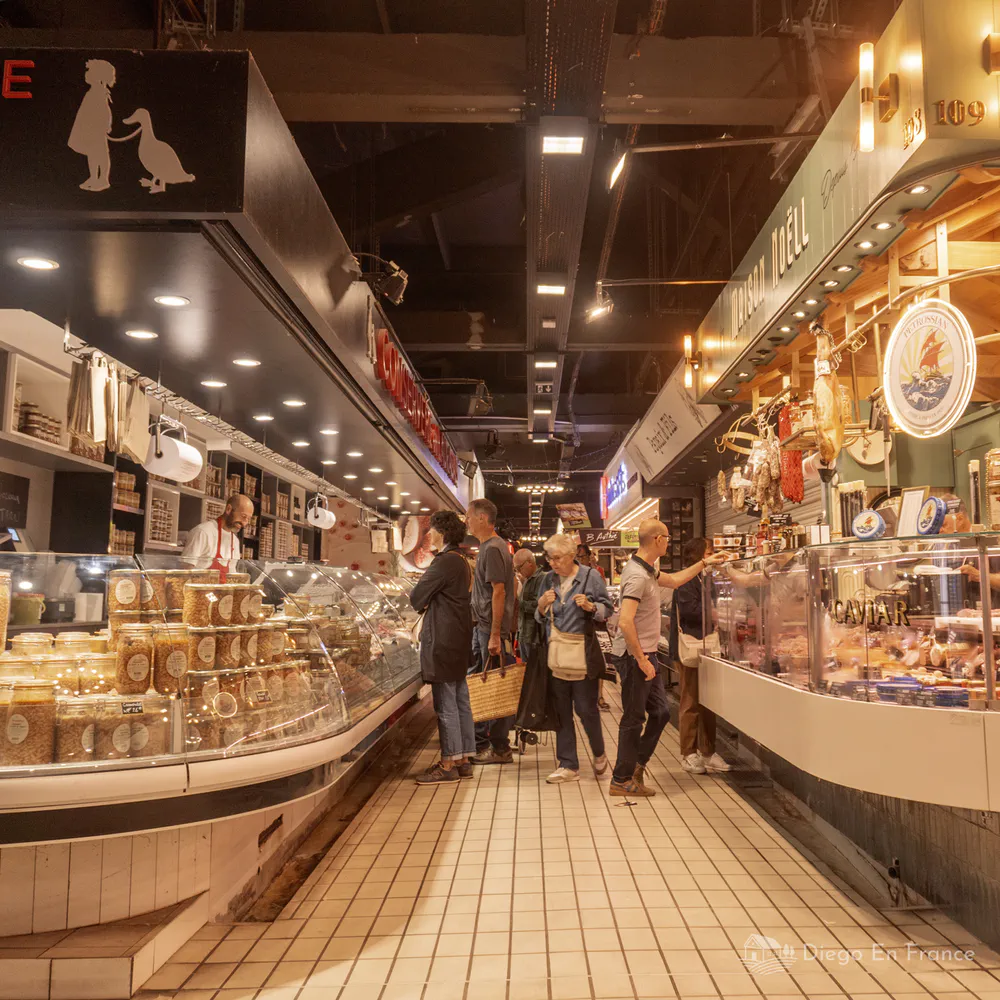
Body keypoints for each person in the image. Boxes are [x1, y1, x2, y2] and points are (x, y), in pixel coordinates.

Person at [609, 518, 726, 798]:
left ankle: (636, 767)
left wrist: (706, 563)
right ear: (657, 540)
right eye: (668, 538)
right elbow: (625, 622)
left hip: (645, 654)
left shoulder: (648, 569)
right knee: (633, 719)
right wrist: (641, 659)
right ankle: (621, 779)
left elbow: (674, 581)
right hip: (635, 657)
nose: (670, 542)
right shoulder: (637, 575)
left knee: (661, 714)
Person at [536, 533, 613, 783]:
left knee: (585, 709)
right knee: (561, 711)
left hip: (582, 654)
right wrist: (540, 607)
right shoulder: (547, 580)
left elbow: (607, 610)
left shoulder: (591, 577)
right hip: (556, 654)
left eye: (557, 558)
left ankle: (599, 753)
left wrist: (592, 607)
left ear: (571, 556)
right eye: (550, 558)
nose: (553, 563)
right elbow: (539, 618)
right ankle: (568, 764)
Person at [409, 511, 476, 784]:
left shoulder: (444, 562)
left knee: (446, 703)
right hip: (459, 639)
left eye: (432, 530)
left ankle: (448, 764)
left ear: (443, 533)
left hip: (443, 640)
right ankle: (464, 759)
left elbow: (416, 597)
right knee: (460, 700)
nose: (428, 536)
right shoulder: (462, 561)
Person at [669, 537, 731, 776]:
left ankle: (708, 752)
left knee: (709, 702)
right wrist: (717, 613)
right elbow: (689, 611)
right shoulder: (686, 579)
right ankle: (688, 753)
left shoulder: (705, 579)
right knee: (691, 701)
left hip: (707, 647)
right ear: (698, 555)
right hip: (689, 649)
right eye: (710, 551)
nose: (713, 554)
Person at [466, 498, 517, 764]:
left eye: (469, 517)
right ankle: (493, 744)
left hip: (489, 629)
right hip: (484, 627)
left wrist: (497, 633)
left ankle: (498, 747)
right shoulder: (489, 547)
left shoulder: (493, 549)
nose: (467, 521)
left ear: (483, 519)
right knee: (487, 683)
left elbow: (500, 591)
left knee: (494, 687)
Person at [181, 493, 253, 577]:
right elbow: (185, 571)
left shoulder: (235, 541)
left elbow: (231, 575)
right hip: (200, 589)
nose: (244, 523)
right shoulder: (203, 532)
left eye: (248, 519)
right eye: (243, 516)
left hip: (222, 590)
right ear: (229, 509)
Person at [577, 542, 611, 710]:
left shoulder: (596, 574)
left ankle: (600, 696)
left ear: (589, 557)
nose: (578, 560)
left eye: (581, 556)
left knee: (598, 663)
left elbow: (607, 606)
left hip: (595, 626)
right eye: (576, 556)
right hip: (577, 631)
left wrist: (592, 607)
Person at [514, 548, 544, 662]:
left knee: (534, 673)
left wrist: (519, 604)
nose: (518, 571)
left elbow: (541, 607)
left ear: (529, 563)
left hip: (534, 637)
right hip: (524, 634)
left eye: (519, 567)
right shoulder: (527, 580)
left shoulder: (542, 579)